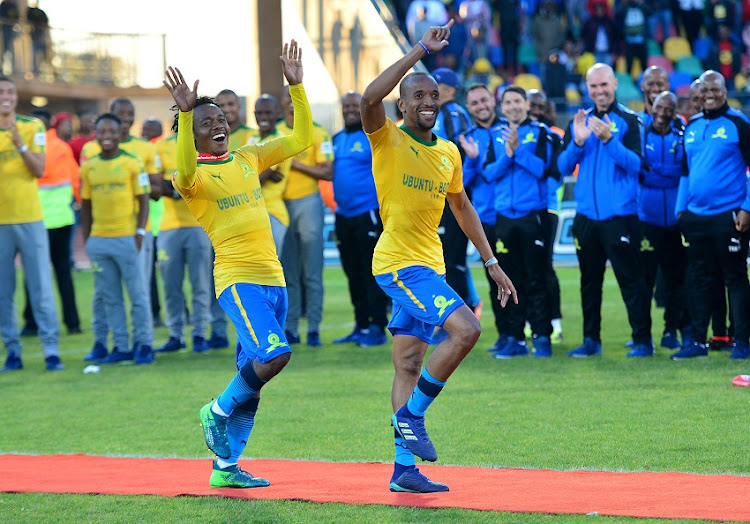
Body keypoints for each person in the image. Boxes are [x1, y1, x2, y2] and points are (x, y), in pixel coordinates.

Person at [360, 20, 517, 493]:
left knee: (408, 364)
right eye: (419, 97)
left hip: (430, 266)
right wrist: (418, 52)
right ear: (403, 104)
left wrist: (491, 263)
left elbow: (462, 207)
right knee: (468, 329)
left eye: (434, 97)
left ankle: (403, 471)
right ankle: (411, 417)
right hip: (397, 265)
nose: (429, 102)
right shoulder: (386, 137)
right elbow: (369, 98)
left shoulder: (449, 151)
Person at [163, 39, 313, 488]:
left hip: (274, 280)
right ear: (192, 135)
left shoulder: (248, 156)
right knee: (275, 354)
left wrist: (298, 88)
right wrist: (186, 113)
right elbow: (185, 171)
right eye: (206, 122)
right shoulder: (191, 177)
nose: (218, 125)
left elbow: (302, 138)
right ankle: (215, 411)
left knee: (253, 379)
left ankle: (226, 468)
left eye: (221, 119)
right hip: (237, 280)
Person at [557, 63, 653, 357]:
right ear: (587, 88)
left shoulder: (630, 120)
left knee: (631, 281)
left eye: (604, 85)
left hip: (620, 216)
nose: (599, 91)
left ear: (614, 85)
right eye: (593, 86)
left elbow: (638, 166)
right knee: (589, 282)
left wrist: (610, 141)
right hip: (586, 216)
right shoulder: (580, 120)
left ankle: (642, 341)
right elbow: (561, 168)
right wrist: (577, 141)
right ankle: (591, 341)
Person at [672, 70, 750, 360]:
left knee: (735, 278)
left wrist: (747, 207)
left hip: (729, 216)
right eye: (705, 90)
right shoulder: (691, 126)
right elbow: (685, 172)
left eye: (715, 89)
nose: (710, 94)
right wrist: (680, 210)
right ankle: (697, 342)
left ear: (725, 91)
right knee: (700, 279)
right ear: (699, 93)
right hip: (696, 217)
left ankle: (741, 342)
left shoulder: (739, 123)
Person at [81, 98, 161, 363]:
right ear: (96, 134)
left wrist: (139, 232)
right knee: (111, 298)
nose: (107, 136)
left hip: (128, 239)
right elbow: (86, 205)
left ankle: (145, 345)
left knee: (138, 295)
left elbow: (144, 199)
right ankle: (121, 347)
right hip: (100, 242)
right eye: (102, 132)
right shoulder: (89, 165)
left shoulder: (133, 162)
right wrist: (88, 239)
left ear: (119, 133)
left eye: (111, 132)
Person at [482, 85, 558, 358]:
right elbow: (489, 173)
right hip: (504, 217)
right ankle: (515, 338)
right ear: (501, 107)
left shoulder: (540, 133)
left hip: (531, 216)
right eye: (508, 102)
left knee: (536, 279)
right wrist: (509, 155)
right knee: (509, 281)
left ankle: (542, 337)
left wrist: (519, 152)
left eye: (518, 101)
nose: (513, 106)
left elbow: (544, 170)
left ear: (526, 105)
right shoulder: (494, 135)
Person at [0, 75, 64, 372]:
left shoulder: (31, 126)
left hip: (30, 220)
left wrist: (18, 144)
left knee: (40, 287)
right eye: (1, 91)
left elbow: (39, 169)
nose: (6, 96)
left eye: (10, 91)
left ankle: (51, 351)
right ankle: (12, 351)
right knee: (4, 291)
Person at [331, 91, 389, 347]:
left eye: (355, 106)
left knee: (370, 272)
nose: (350, 111)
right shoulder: (336, 139)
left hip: (367, 213)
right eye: (346, 107)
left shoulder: (371, 138)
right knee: (352, 272)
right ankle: (361, 325)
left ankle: (377, 325)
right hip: (343, 215)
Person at [278, 85, 333, 347]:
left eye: (294, 99)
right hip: (280, 204)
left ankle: (313, 327)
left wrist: (294, 162)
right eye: (285, 100)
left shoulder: (317, 131)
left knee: (312, 270)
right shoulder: (275, 133)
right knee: (287, 271)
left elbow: (328, 172)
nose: (290, 104)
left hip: (308, 202)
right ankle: (290, 328)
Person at [19, 109, 82, 337]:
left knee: (34, 274)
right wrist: (78, 204)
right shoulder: (62, 148)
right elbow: (76, 180)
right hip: (63, 220)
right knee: (63, 273)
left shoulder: (27, 147)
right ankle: (73, 323)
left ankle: (31, 323)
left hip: (35, 219)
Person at [153, 120, 212, 355]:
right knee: (170, 284)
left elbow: (204, 182)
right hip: (169, 227)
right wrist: (181, 188)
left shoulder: (204, 147)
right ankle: (175, 334)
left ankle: (200, 333)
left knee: (200, 282)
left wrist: (175, 186)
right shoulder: (162, 147)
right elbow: (156, 184)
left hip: (199, 225)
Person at [638, 91, 691, 351]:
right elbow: (639, 171)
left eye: (669, 109)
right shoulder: (640, 134)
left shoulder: (681, 136)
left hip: (674, 222)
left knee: (675, 280)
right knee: (644, 282)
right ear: (652, 107)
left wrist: (654, 171)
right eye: (659, 107)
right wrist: (663, 173)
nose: (663, 112)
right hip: (646, 220)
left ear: (674, 112)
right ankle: (643, 335)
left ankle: (672, 330)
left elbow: (681, 173)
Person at [458, 83, 508, 353]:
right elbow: (460, 183)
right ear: (469, 107)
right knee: (495, 280)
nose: (481, 106)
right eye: (475, 103)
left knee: (521, 276)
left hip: (513, 214)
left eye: (484, 100)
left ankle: (526, 332)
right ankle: (504, 334)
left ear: (493, 100)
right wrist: (473, 160)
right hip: (486, 218)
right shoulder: (466, 140)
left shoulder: (510, 129)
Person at [526, 89, 564, 345]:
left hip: (548, 207)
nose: (537, 109)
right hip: (527, 209)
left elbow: (557, 172)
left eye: (541, 104)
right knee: (528, 268)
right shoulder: (518, 131)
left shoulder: (554, 135)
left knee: (545, 268)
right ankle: (532, 320)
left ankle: (555, 322)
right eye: (533, 104)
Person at [247, 94, 292, 255]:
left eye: (268, 113)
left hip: (271, 212)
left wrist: (254, 172)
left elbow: (257, 178)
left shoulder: (278, 140)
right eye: (259, 113)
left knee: (270, 267)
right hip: (252, 213)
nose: (263, 117)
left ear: (276, 113)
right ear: (254, 115)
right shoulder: (251, 138)